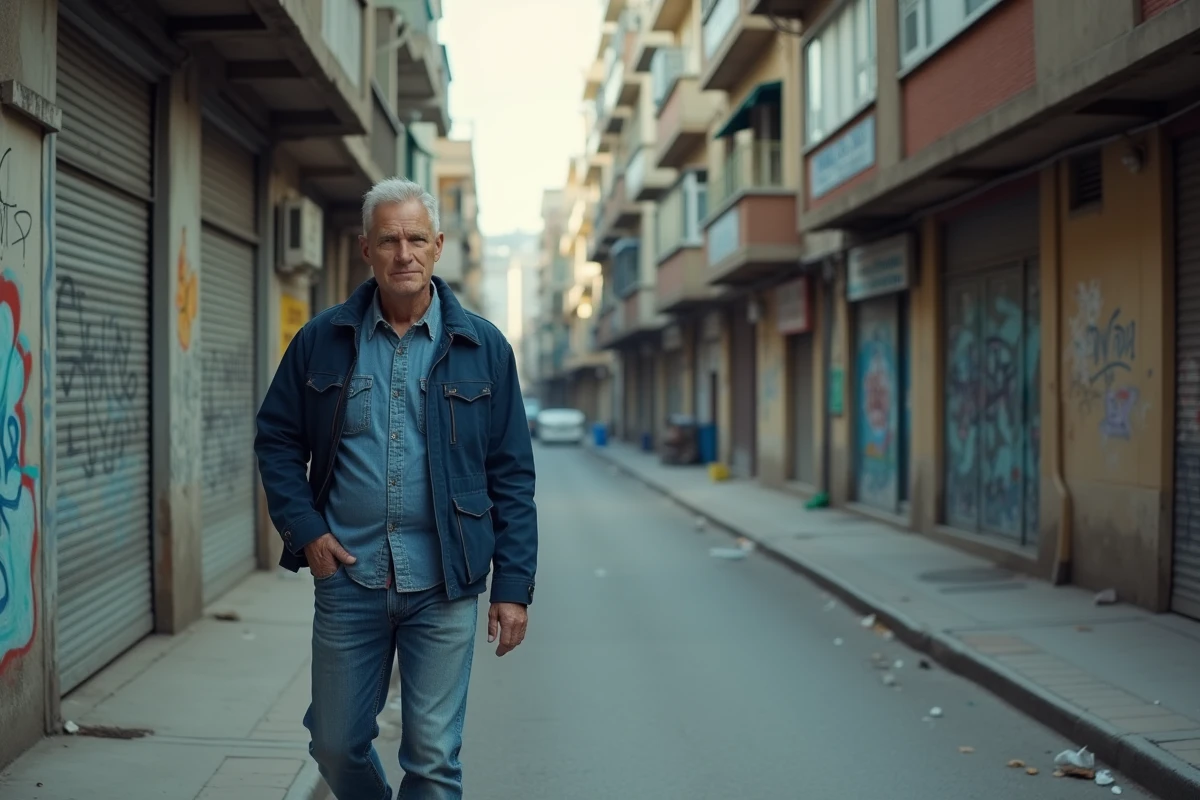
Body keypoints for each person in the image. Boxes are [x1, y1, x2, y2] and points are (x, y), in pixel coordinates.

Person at [254, 177, 538, 800]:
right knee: (333, 744)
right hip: (349, 578)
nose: (402, 253)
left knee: (433, 760)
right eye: (388, 240)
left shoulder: (484, 348)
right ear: (366, 250)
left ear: (437, 247)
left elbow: (512, 475)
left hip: (446, 583)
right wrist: (308, 534)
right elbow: (276, 440)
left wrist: (512, 588)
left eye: (415, 239)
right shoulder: (322, 340)